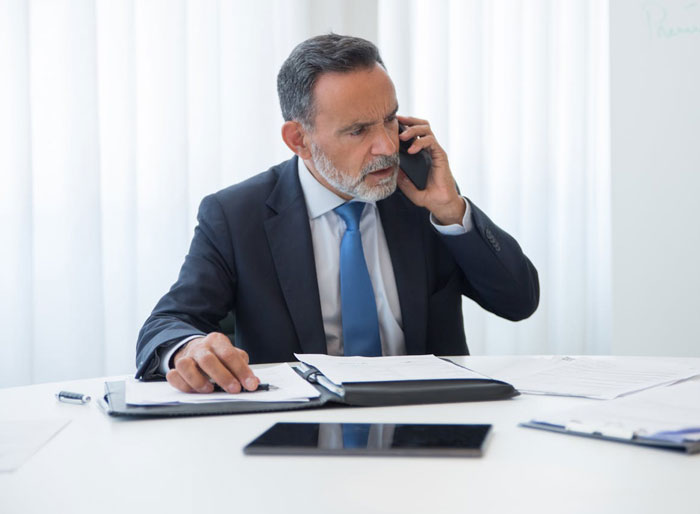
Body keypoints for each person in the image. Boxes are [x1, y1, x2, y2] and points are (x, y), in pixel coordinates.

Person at [135, 34, 539, 394]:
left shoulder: (421, 194)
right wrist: (191, 347)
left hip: (428, 421)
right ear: (299, 139)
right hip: (298, 437)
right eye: (359, 130)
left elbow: (519, 301)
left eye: (389, 120)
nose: (385, 146)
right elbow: (167, 323)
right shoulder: (236, 215)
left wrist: (452, 212)